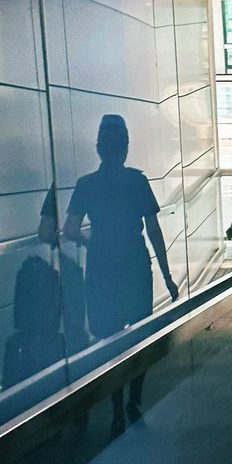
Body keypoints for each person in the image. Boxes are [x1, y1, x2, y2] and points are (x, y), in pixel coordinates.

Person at [63, 114, 178, 435]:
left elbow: (70, 229)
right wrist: (168, 276)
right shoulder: (137, 182)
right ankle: (134, 400)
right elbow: (154, 230)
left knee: (110, 340)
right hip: (135, 266)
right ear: (125, 148)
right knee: (140, 336)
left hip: (102, 268)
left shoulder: (86, 185)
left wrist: (93, 242)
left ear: (99, 148)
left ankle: (115, 409)